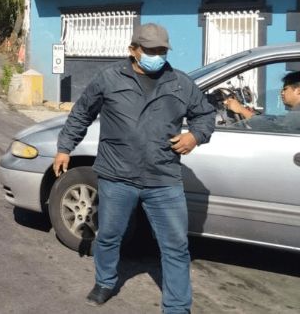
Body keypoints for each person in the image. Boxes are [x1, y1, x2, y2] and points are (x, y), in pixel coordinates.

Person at [52, 23, 215, 312]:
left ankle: (177, 307)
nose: (157, 56)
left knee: (175, 246)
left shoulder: (180, 83)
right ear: (132, 50)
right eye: (150, 50)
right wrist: (65, 147)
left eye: (162, 50)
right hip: (117, 175)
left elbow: (205, 115)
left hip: (163, 178)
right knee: (109, 235)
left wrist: (194, 136)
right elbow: (82, 113)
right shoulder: (109, 78)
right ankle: (105, 281)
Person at [223, 72, 300, 132]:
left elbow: (273, 127)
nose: (282, 93)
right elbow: (276, 120)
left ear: (298, 91)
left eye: (285, 89)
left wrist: (241, 110)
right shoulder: (295, 114)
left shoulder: (297, 115)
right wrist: (251, 113)